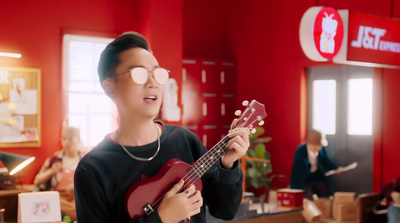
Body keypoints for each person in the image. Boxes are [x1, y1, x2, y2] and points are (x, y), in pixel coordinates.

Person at [74, 31, 250, 223]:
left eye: (157, 73)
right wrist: (162, 218)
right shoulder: (92, 169)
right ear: (109, 87)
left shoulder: (185, 140)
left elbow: (225, 210)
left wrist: (228, 164)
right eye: (139, 74)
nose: (153, 83)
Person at [34, 126, 84, 221]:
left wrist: (75, 187)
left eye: (70, 138)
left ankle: (69, 217)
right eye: (64, 138)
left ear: (78, 140)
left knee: (82, 204)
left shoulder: (85, 159)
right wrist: (51, 171)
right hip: (58, 198)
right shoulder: (54, 159)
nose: (66, 142)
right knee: (53, 203)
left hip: (77, 197)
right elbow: (37, 181)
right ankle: (71, 217)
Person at [290, 129, 343, 200]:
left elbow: (326, 161)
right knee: (307, 197)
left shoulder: (321, 149)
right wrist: (300, 194)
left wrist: (336, 168)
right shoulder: (300, 152)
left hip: (316, 177)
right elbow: (298, 175)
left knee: (323, 190)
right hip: (304, 179)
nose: (319, 148)